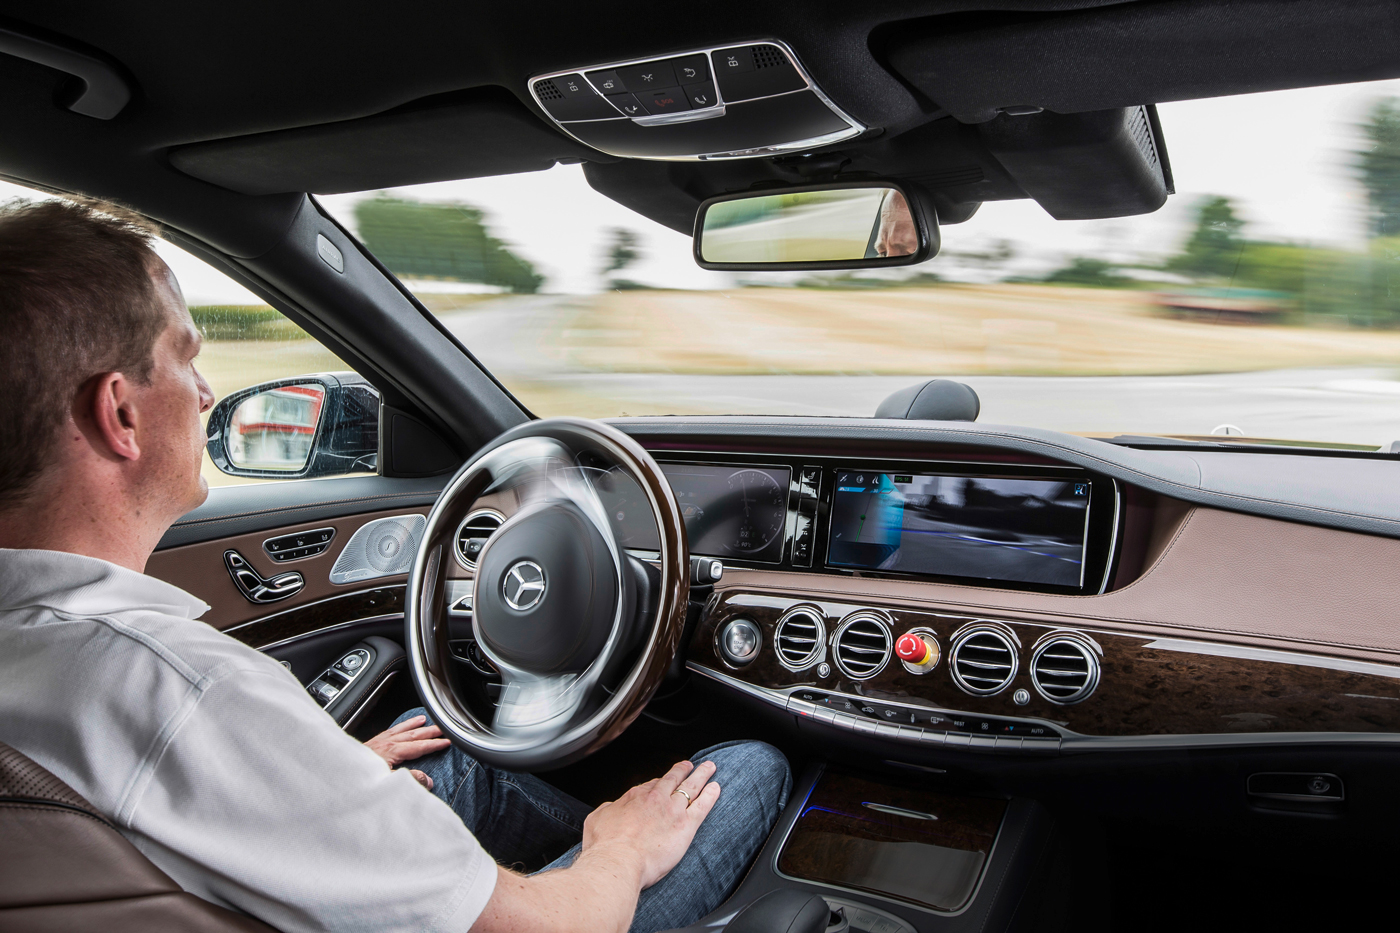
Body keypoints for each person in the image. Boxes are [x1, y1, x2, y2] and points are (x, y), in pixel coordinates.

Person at [0, 198, 791, 933]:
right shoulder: (179, 690)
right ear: (121, 413)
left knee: (438, 749)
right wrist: (616, 846)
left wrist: (314, 780)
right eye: (184, 357)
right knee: (749, 767)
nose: (207, 391)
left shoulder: (48, 658)